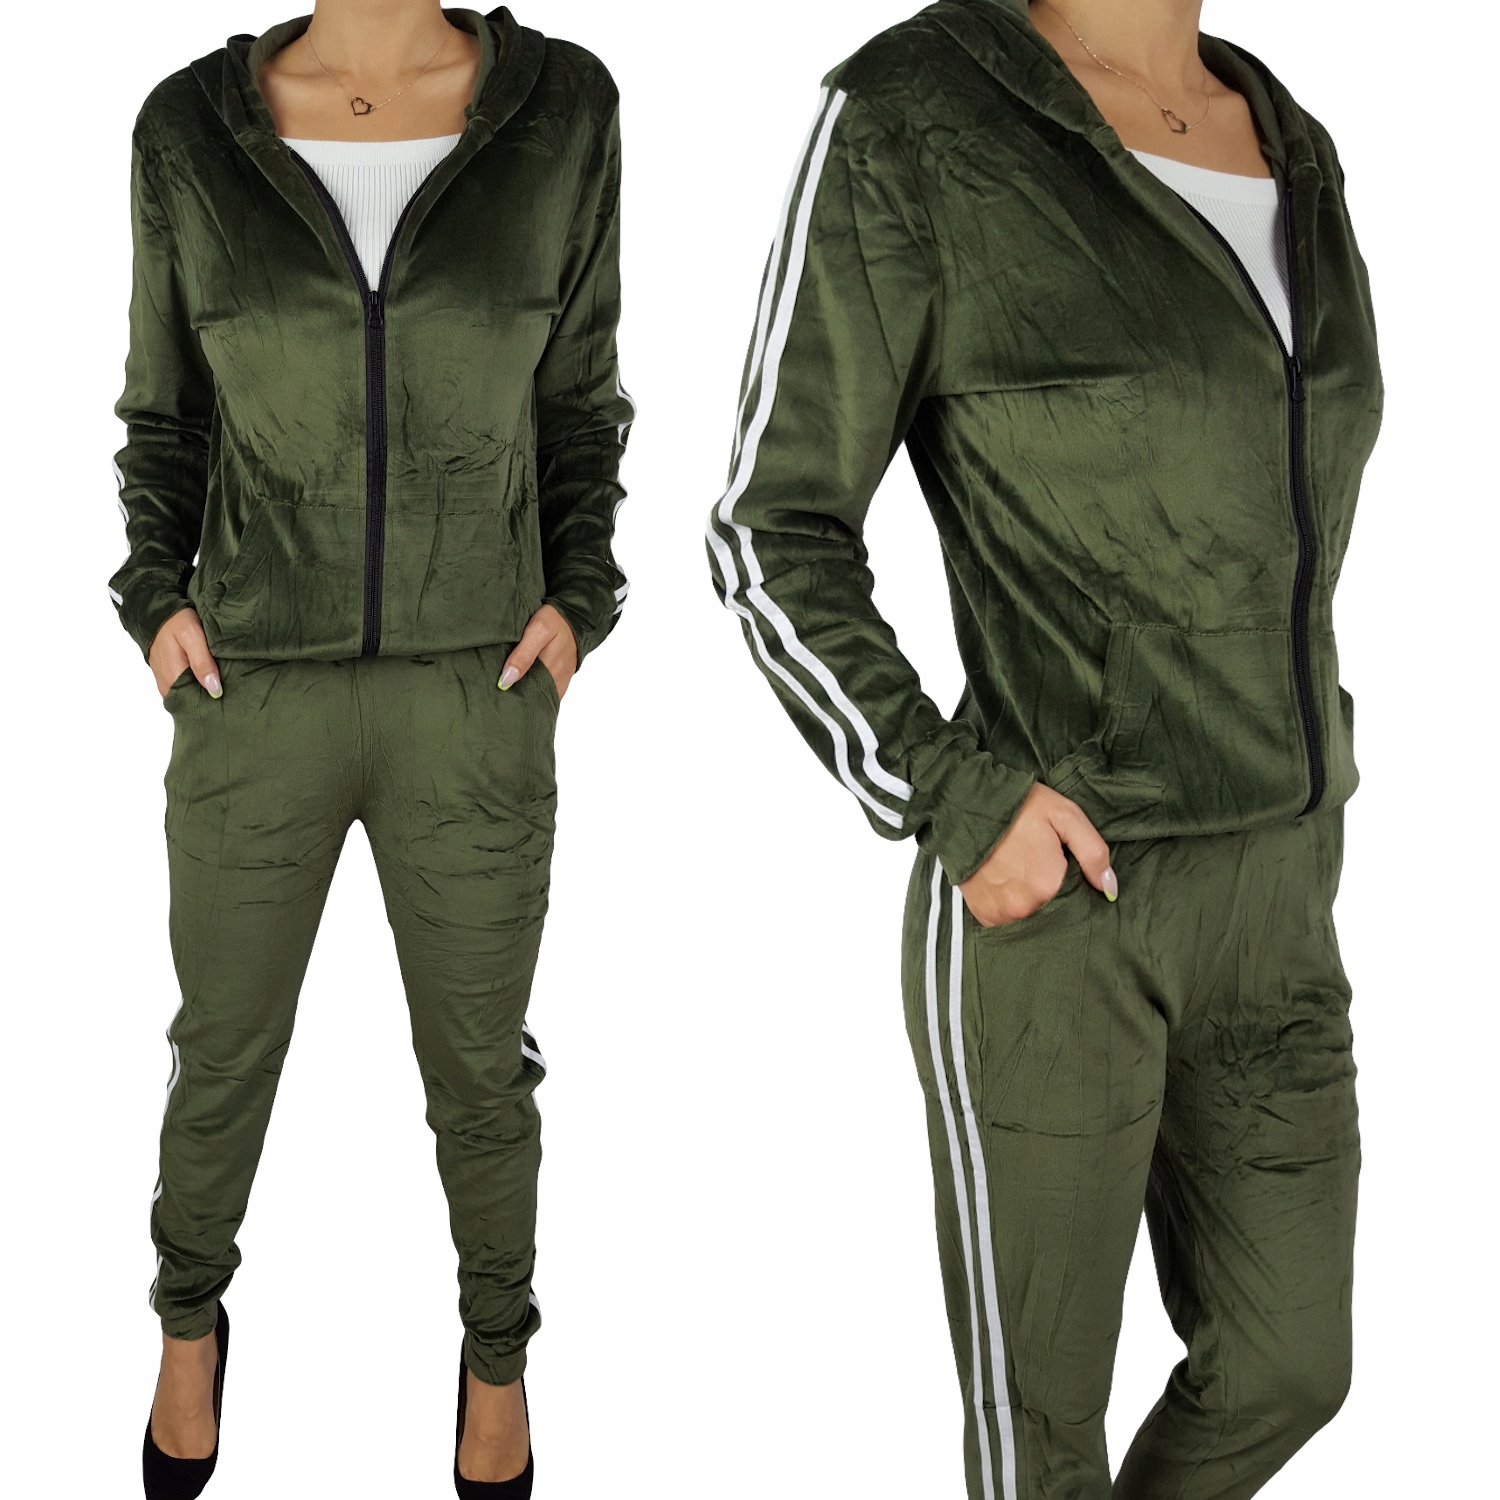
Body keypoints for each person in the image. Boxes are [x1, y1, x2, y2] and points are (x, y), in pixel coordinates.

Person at [706, 0, 1379, 1495]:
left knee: (1291, 1365)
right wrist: (952, 795)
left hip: (1279, 893)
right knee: (1043, 1440)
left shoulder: (1290, 138)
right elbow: (770, 528)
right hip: (1063, 896)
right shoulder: (916, 113)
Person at [112, 4, 630, 1495]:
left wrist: (578, 601)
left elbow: (579, 398)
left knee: (480, 1072)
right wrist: (156, 601)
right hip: (253, 685)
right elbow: (165, 412)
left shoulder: (561, 109)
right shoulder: (190, 128)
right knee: (222, 1050)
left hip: (475, 688)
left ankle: (496, 1358)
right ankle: (188, 1325)